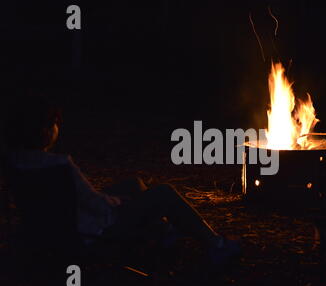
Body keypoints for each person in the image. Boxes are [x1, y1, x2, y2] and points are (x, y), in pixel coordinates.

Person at [2, 94, 240, 265]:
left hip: (50, 231)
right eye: (54, 123)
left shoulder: (14, 162)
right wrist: (116, 202)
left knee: (134, 184)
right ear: (44, 130)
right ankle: (215, 245)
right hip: (87, 234)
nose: (57, 128)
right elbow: (95, 205)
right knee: (164, 193)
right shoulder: (59, 165)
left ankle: (163, 232)